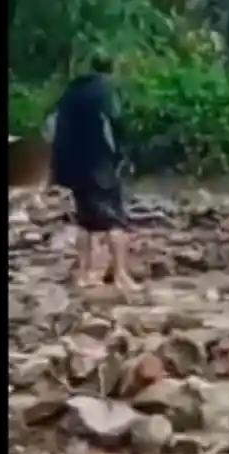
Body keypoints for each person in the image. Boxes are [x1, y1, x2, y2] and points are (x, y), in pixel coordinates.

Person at [49, 54, 137, 291]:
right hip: (99, 166)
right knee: (115, 220)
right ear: (112, 69)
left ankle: (84, 274)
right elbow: (116, 125)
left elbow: (50, 127)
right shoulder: (105, 91)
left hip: (72, 168)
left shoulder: (71, 91)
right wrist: (123, 157)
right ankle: (120, 274)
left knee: (85, 222)